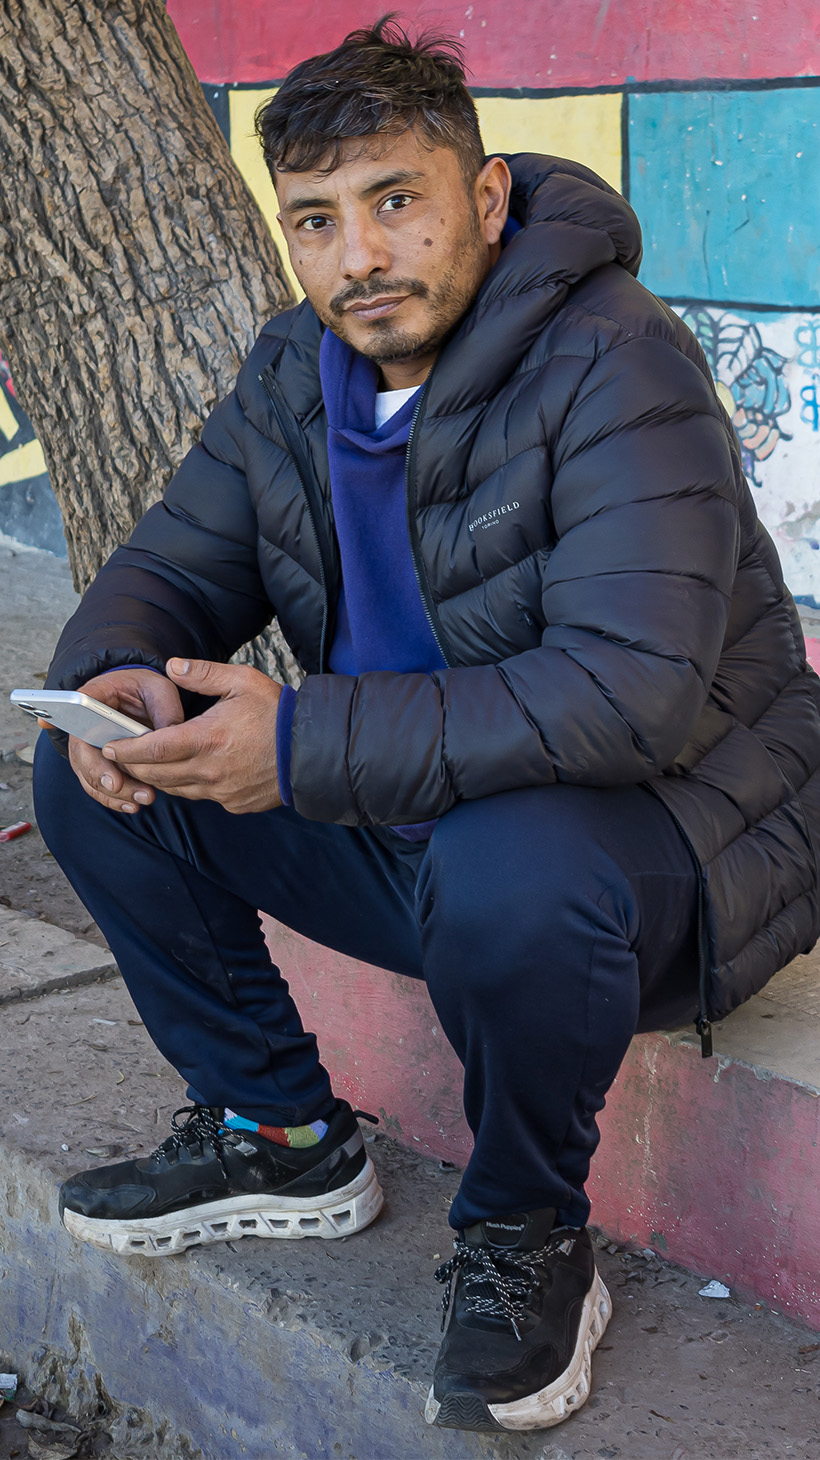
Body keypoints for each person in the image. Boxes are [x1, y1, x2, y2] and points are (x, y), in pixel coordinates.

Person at [33, 16, 820, 1435]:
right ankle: (279, 1134)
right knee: (90, 769)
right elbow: (170, 564)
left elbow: (628, 692)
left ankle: (526, 1231)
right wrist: (119, 673)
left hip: (661, 872)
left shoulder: (613, 359)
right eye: (319, 221)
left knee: (510, 866)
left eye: (397, 202)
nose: (361, 257)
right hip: (418, 835)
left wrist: (301, 746)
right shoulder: (296, 371)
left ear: (486, 198)